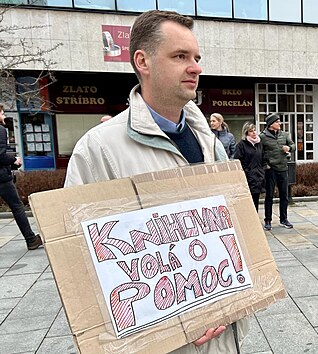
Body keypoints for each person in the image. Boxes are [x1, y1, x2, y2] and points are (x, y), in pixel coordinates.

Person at [63, 10, 247, 353]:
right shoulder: (99, 149)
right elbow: (78, 265)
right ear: (142, 61)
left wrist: (231, 303)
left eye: (196, 57)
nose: (196, 67)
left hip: (222, 333)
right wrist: (172, 325)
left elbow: (232, 233)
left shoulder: (208, 141)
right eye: (180, 56)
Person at [0, 104, 42, 250]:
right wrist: (14, 160)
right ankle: (31, 239)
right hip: (2, 179)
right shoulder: (0, 130)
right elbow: (0, 155)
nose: (4, 116)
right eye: (2, 113)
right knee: (17, 206)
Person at [260, 113, 295, 231]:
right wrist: (266, 165)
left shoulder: (284, 135)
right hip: (271, 170)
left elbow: (293, 145)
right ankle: (268, 220)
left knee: (284, 195)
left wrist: (289, 148)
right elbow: (260, 153)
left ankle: (284, 219)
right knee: (269, 196)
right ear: (270, 124)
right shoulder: (263, 137)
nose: (279, 123)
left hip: (283, 168)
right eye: (277, 122)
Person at [233, 122, 264, 212]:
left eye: (254, 130)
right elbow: (238, 160)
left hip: (258, 176)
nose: (254, 133)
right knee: (248, 202)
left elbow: (262, 158)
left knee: (256, 201)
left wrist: (262, 170)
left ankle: (255, 221)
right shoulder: (241, 145)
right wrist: (247, 171)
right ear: (246, 133)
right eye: (251, 131)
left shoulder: (259, 144)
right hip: (248, 176)